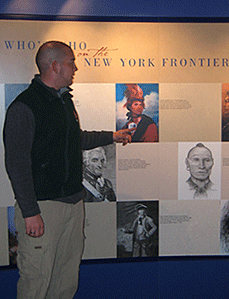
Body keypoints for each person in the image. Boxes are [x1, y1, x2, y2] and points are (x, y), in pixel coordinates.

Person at [3, 41, 134, 299]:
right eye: (71, 62)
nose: (76, 67)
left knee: (65, 278)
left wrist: (112, 136)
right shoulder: (24, 106)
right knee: (36, 281)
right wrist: (31, 213)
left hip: (73, 205)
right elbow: (16, 164)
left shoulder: (64, 101)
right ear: (55, 66)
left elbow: (75, 139)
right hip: (43, 208)